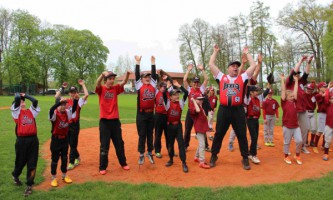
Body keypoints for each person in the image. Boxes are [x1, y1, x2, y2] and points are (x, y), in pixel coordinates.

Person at [208, 45, 257, 170]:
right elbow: (211, 64)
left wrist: (247, 52)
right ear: (228, 69)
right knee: (219, 133)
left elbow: (253, 66)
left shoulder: (242, 78)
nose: (235, 67)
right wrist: (215, 52)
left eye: (237, 66)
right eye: (233, 66)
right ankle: (214, 155)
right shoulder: (222, 77)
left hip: (238, 110)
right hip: (224, 110)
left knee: (241, 134)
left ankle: (245, 158)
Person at [95, 70, 131, 175]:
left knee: (119, 143)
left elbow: (123, 82)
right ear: (105, 80)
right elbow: (97, 83)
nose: (112, 81)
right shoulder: (101, 89)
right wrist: (102, 74)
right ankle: (102, 167)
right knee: (104, 145)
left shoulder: (115, 89)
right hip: (104, 122)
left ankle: (123, 163)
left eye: (113, 79)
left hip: (115, 121)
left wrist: (128, 74)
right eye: (110, 79)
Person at [55, 80, 89, 170]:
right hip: (66, 125)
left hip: (75, 125)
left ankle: (71, 162)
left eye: (74, 92)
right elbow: (56, 96)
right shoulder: (66, 101)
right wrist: (62, 87)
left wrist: (83, 85)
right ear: (69, 93)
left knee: (73, 144)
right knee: (70, 143)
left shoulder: (79, 101)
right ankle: (77, 157)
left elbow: (86, 95)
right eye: (71, 92)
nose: (73, 94)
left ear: (77, 93)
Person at [11, 93, 40, 197]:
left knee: (32, 162)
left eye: (24, 101)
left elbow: (35, 101)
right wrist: (19, 96)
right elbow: (17, 99)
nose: (22, 103)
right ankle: (15, 175)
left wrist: (25, 95)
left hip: (33, 140)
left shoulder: (31, 111)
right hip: (21, 141)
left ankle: (29, 185)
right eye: (21, 102)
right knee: (20, 161)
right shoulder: (16, 112)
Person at [286, 55, 313, 154]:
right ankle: (287, 149)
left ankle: (302, 146)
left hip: (303, 109)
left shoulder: (301, 81)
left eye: (298, 74)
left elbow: (306, 73)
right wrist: (301, 60)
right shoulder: (288, 83)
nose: (297, 75)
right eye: (296, 74)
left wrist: (308, 62)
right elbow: (294, 70)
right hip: (293, 109)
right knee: (290, 128)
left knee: (305, 128)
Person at [49, 97, 78, 187]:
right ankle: (54, 177)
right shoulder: (54, 114)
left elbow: (73, 110)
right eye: (61, 105)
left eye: (64, 105)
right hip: (56, 140)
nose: (63, 107)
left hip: (65, 139)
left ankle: (64, 175)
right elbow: (51, 109)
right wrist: (58, 103)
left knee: (64, 158)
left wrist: (76, 101)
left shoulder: (67, 112)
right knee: (55, 160)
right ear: (58, 106)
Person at [135, 55, 157, 165]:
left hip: (150, 114)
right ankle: (141, 154)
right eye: (145, 77)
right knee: (142, 134)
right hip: (141, 114)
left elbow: (154, 75)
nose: (147, 78)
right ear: (142, 79)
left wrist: (153, 63)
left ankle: (149, 152)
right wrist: (137, 63)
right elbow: (136, 75)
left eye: (149, 76)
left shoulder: (153, 85)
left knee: (150, 134)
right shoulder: (139, 86)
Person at [163, 81, 189, 173]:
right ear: (170, 96)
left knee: (181, 144)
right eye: (174, 94)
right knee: (170, 144)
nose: (177, 96)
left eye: (178, 94)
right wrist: (167, 87)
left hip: (178, 126)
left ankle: (184, 162)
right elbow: (163, 93)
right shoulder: (167, 104)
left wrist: (179, 86)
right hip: (169, 127)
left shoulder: (181, 103)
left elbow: (186, 93)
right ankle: (171, 159)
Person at [183, 64, 208, 151]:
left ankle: (206, 145)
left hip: (199, 113)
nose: (196, 84)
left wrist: (202, 70)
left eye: (197, 82)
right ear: (192, 83)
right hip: (190, 112)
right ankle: (185, 145)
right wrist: (188, 70)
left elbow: (206, 79)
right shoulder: (189, 89)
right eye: (194, 82)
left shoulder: (201, 89)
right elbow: (184, 80)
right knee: (187, 129)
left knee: (201, 129)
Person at [280, 74, 303, 165]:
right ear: (286, 97)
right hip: (287, 126)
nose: (293, 98)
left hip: (295, 126)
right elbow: (283, 90)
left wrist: (296, 81)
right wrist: (282, 80)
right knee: (287, 142)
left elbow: (296, 91)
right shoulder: (284, 102)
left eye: (293, 96)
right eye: (291, 96)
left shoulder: (295, 102)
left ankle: (297, 155)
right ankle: (286, 156)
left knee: (299, 140)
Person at [244, 85, 269, 164]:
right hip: (250, 119)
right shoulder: (248, 98)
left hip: (256, 120)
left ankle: (250, 153)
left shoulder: (257, 98)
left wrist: (268, 84)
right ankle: (253, 154)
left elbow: (265, 93)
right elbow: (246, 89)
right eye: (255, 91)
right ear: (251, 92)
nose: (257, 92)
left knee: (255, 137)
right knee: (254, 137)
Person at [191, 93, 211, 169]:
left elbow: (204, 119)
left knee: (201, 144)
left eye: (201, 99)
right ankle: (202, 162)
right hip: (199, 129)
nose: (201, 100)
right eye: (199, 99)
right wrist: (194, 101)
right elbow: (197, 110)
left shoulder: (201, 107)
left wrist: (207, 130)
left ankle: (196, 157)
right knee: (202, 145)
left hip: (203, 128)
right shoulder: (194, 108)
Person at [154, 80, 172, 158]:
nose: (164, 88)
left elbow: (171, 82)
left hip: (166, 116)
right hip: (158, 115)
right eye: (163, 87)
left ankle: (170, 150)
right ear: (159, 87)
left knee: (168, 134)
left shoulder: (168, 93)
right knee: (158, 134)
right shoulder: (157, 93)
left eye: (165, 87)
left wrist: (167, 78)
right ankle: (157, 151)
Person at [313, 82, 328, 152]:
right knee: (320, 130)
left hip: (327, 114)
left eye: (326, 86)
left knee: (326, 131)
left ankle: (323, 146)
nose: (325, 88)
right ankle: (315, 146)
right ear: (320, 88)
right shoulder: (318, 95)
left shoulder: (326, 94)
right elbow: (318, 97)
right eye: (324, 87)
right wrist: (324, 93)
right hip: (321, 114)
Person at [304, 82, 317, 149]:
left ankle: (312, 141)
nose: (308, 90)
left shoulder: (314, 95)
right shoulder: (304, 94)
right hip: (306, 113)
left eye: (310, 89)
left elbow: (319, 90)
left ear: (312, 90)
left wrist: (315, 85)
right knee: (307, 128)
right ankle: (305, 140)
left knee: (314, 128)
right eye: (307, 88)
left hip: (313, 113)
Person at [322, 82, 333, 161]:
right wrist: (328, 88)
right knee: (328, 139)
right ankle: (326, 153)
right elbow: (326, 97)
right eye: (332, 98)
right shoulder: (328, 104)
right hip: (329, 124)